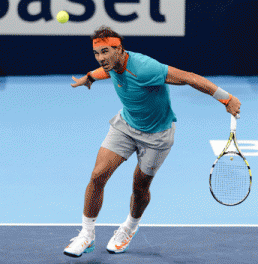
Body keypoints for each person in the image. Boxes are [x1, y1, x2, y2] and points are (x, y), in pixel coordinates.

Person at [64, 26, 241, 258]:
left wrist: (226, 98)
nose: (101, 58)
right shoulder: (112, 64)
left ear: (120, 49)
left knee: (140, 187)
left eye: (105, 52)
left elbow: (189, 78)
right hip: (125, 126)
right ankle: (87, 235)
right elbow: (106, 71)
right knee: (98, 175)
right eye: (97, 53)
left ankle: (129, 228)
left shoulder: (146, 68)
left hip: (157, 136)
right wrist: (89, 77)